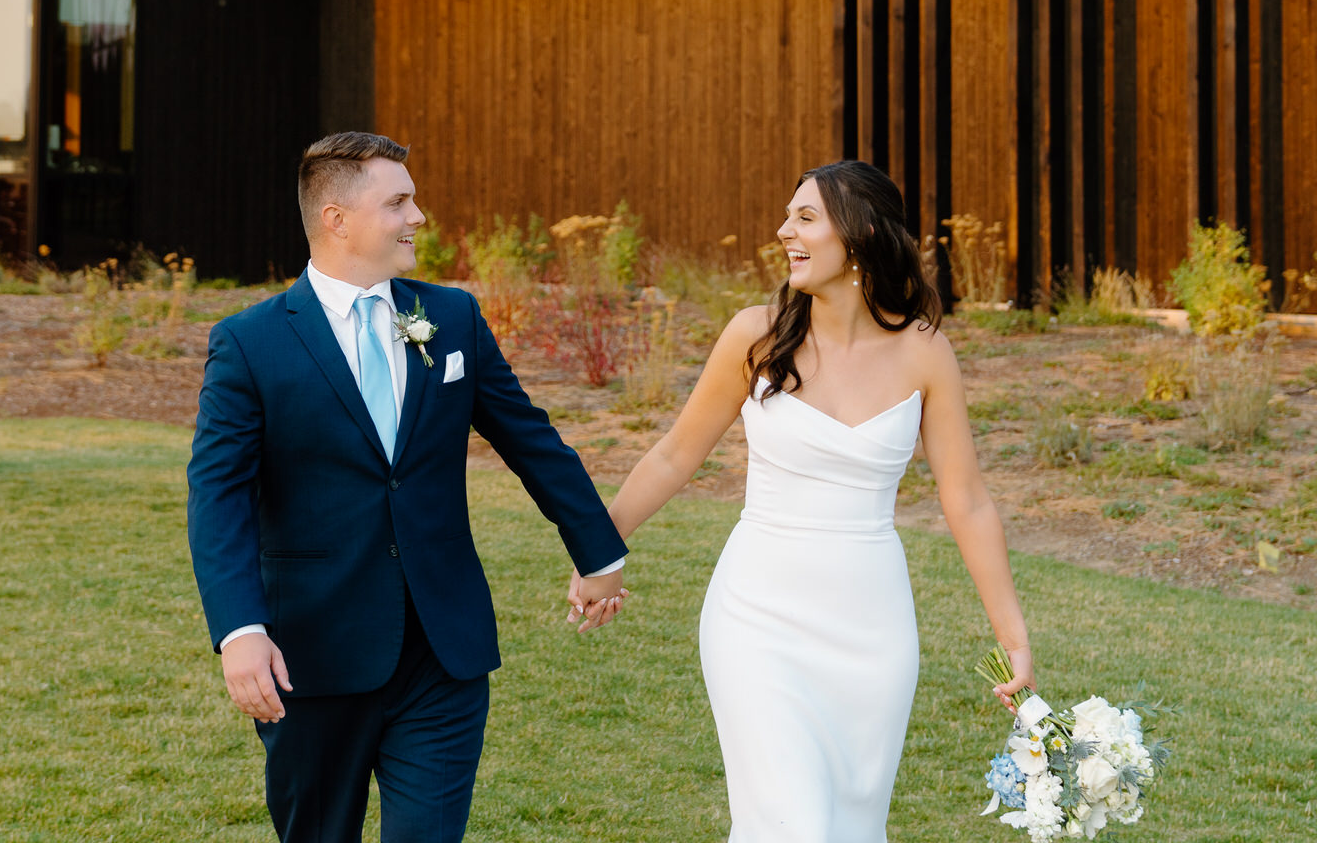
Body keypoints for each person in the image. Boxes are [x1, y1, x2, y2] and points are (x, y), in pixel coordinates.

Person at [571, 161, 1034, 841]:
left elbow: (967, 502)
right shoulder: (755, 335)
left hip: (872, 631)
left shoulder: (925, 352)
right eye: (789, 216)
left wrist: (1013, 637)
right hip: (758, 618)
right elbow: (673, 455)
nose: (784, 230)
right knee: (794, 825)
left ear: (863, 231)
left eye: (806, 217)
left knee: (849, 827)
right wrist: (596, 548)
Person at [188, 131, 629, 843]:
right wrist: (241, 632)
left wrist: (599, 554)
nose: (417, 216)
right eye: (398, 202)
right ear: (336, 219)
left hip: (443, 653)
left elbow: (532, 442)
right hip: (312, 655)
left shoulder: (451, 318)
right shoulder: (250, 344)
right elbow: (220, 500)